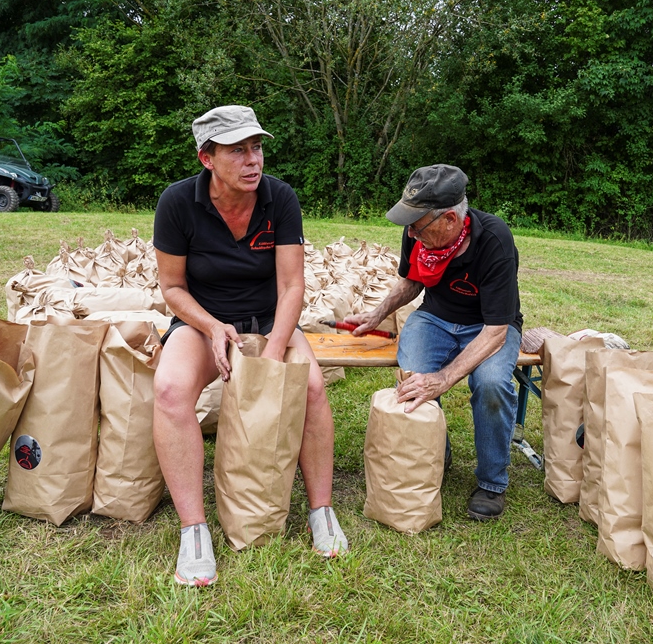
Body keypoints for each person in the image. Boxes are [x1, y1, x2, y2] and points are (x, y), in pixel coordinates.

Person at [152, 105, 348, 587]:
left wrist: (276, 351)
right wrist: (213, 326)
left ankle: (321, 511)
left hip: (269, 318)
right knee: (171, 391)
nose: (252, 159)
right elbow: (173, 289)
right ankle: (193, 529)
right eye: (237, 150)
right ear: (207, 158)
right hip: (204, 323)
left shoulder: (280, 198)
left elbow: (292, 286)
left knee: (313, 388)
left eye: (256, 147)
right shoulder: (177, 203)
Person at [345, 164, 523, 521]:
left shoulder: (494, 241)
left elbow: (496, 332)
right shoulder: (418, 230)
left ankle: (492, 482)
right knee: (414, 377)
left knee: (490, 383)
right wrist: (376, 314)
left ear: (451, 221)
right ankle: (433, 454)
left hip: (489, 326)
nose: (410, 232)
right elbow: (411, 281)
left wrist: (444, 378)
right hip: (435, 318)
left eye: (417, 225)